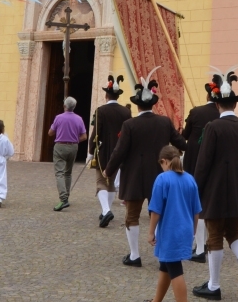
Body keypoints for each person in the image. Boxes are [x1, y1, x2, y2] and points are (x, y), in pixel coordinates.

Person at [193, 71, 238, 302]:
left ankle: (214, 285)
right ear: (234, 103)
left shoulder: (213, 127)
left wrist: (195, 190)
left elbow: (203, 163)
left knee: (214, 236)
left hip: (216, 190)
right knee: (233, 232)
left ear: (217, 103)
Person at [105, 73, 185, 267]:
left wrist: (109, 170)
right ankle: (162, 257)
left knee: (132, 215)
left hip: (134, 175)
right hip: (160, 174)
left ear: (137, 105)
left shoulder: (130, 124)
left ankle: (134, 255)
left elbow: (119, 151)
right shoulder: (164, 122)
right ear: (153, 104)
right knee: (159, 214)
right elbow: (180, 143)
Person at [143, 145, 201, 302]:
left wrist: (151, 232)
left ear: (164, 161)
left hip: (170, 229)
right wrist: (192, 231)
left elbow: (156, 209)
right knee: (166, 266)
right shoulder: (190, 179)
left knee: (175, 268)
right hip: (185, 229)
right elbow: (196, 211)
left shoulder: (162, 179)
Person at [181, 89, 220, 260]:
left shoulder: (196, 112)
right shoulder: (221, 116)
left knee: (196, 205)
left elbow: (184, 137)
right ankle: (204, 244)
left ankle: (199, 248)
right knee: (207, 204)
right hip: (216, 164)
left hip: (195, 163)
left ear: (207, 96)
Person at [89, 75, 130, 228]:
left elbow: (96, 133)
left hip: (104, 151)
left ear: (106, 95)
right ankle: (107, 210)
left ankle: (106, 211)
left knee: (101, 181)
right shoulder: (126, 112)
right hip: (120, 151)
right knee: (111, 182)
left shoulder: (101, 110)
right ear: (118, 95)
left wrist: (90, 151)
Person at [48, 96, 87, 211]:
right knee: (68, 173)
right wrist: (74, 139)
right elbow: (84, 136)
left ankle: (63, 198)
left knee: (59, 173)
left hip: (60, 146)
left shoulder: (58, 118)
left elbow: (50, 133)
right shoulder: (79, 119)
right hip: (73, 146)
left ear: (65, 106)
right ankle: (67, 196)